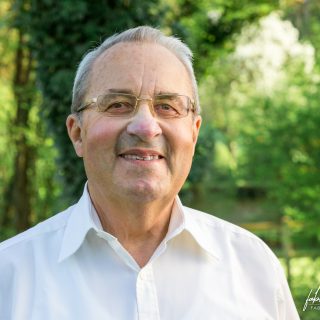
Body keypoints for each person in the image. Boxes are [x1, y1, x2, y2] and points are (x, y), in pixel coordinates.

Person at [0, 26, 299, 320]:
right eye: (118, 104)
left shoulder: (254, 268)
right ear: (78, 134)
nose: (145, 127)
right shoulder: (10, 276)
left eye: (167, 107)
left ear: (193, 135)